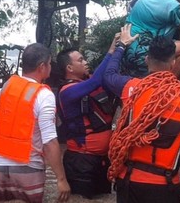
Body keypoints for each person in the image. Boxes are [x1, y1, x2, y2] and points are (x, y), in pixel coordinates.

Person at [103, 25, 180, 203]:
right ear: (173, 63)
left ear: (146, 60)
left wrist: (121, 45)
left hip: (130, 181)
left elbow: (108, 75)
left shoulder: (131, 88)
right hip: (166, 186)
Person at [0, 43, 70, 203]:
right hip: (28, 168)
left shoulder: (8, 86)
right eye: (49, 64)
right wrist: (61, 179)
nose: (50, 67)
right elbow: (50, 141)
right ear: (42, 67)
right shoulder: (44, 95)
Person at [55, 34, 130, 199]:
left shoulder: (87, 82)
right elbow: (97, 80)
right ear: (69, 68)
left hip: (101, 160)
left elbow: (107, 74)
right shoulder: (67, 92)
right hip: (81, 162)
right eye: (80, 60)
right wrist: (118, 48)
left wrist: (116, 48)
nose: (85, 62)